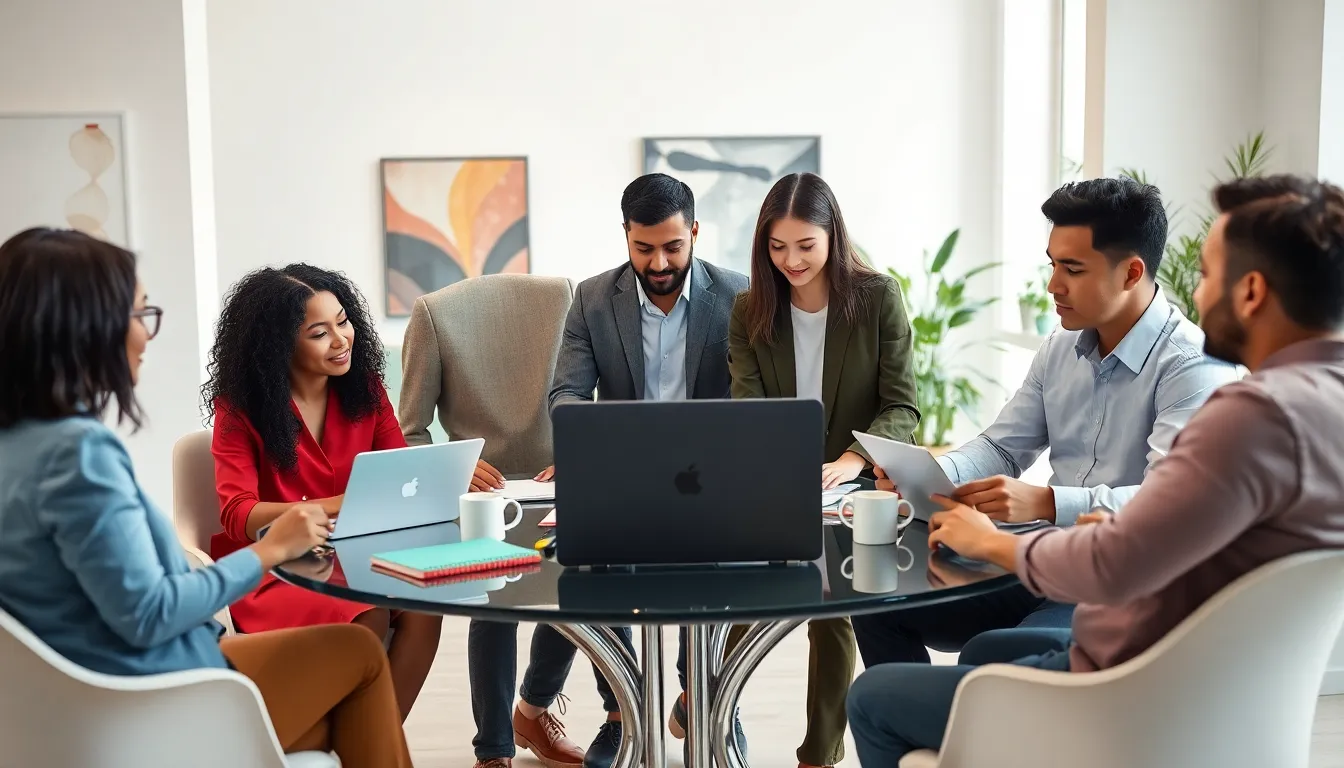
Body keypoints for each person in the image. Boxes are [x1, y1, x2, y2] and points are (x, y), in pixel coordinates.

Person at [847, 174, 1344, 762]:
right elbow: (1010, 449)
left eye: (1209, 274)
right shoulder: (1320, 400)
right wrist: (930, 474)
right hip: (1190, 674)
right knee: (930, 623)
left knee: (876, 697)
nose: (1198, 291)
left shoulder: (1246, 411)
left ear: (1252, 291)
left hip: (1127, 686)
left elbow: (1121, 559)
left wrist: (1016, 537)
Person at [0, 228, 413, 767]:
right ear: (83, 328)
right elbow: (149, 614)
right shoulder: (77, 456)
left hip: (90, 697)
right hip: (153, 701)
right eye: (139, 316)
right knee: (359, 673)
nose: (147, 337)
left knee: (358, 660)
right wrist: (269, 550)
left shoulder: (20, 444)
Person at [853, 176, 1241, 668]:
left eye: (1072, 269)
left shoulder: (1194, 368)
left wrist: (1046, 501)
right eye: (1052, 264)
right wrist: (933, 475)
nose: (1053, 285)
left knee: (995, 652)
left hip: (1119, 583)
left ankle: (948, 727)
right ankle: (922, 726)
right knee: (878, 602)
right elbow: (1002, 448)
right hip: (1044, 560)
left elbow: (1163, 504)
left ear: (1131, 272)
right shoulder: (1061, 347)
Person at [545, 173, 750, 767]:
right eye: (643, 248)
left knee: (719, 571)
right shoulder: (591, 298)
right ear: (626, 237)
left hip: (711, 480)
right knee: (587, 570)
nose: (658, 262)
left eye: (672, 247)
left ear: (694, 232)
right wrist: (590, 444)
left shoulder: (739, 296)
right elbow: (566, 395)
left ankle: (711, 700)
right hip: (623, 476)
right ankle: (621, 710)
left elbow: (753, 398)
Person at [727, 172, 919, 768]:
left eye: (806, 246)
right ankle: (705, 695)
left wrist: (852, 459)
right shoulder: (750, 310)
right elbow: (748, 409)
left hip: (855, 485)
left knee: (832, 611)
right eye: (778, 247)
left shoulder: (877, 297)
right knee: (741, 596)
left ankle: (819, 753)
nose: (792, 261)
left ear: (832, 236)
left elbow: (902, 405)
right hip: (777, 479)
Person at [204, 264, 442, 722]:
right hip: (280, 567)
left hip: (359, 553)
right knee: (367, 612)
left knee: (425, 607)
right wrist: (336, 506)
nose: (340, 340)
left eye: (343, 321)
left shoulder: (367, 392)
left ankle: (371, 749)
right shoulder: (240, 409)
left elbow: (401, 472)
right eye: (319, 332)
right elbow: (237, 512)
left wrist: (441, 476)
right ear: (280, 344)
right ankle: (365, 748)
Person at [399, 274, 589, 768]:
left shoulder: (567, 297)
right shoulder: (431, 314)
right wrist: (453, 469)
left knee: (577, 591)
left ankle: (531, 709)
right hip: (482, 493)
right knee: (494, 604)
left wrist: (584, 454)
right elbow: (410, 431)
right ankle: (493, 750)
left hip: (561, 484)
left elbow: (593, 393)